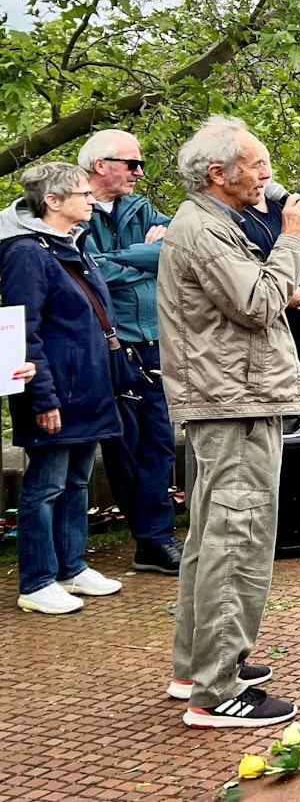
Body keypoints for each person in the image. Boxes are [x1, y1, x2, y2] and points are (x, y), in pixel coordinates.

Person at [160, 116, 300, 727]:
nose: (267, 174)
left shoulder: (208, 223)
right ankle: (217, 691)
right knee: (236, 536)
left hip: (231, 396)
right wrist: (293, 241)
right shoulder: (205, 229)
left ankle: (195, 666)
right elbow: (255, 303)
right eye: (256, 164)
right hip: (237, 400)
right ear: (217, 173)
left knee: (209, 536)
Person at [4, 163, 125, 615]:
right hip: (58, 390)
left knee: (76, 480)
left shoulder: (71, 245)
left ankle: (71, 567)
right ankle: (36, 581)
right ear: (52, 201)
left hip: (86, 388)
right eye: (81, 193)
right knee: (47, 484)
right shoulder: (25, 253)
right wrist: (43, 398)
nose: (91, 199)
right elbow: (24, 330)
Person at [75, 129, 180, 574]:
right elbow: (89, 270)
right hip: (113, 345)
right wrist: (144, 253)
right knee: (125, 445)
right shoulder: (71, 206)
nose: (140, 172)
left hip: (156, 339)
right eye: (132, 163)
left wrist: (135, 256)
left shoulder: (143, 208)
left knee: (159, 441)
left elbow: (174, 252)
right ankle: (149, 537)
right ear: (102, 166)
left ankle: (156, 538)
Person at [236, 177, 300, 378]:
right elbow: (241, 279)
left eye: (265, 164)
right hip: (264, 338)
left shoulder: (285, 206)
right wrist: (286, 298)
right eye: (255, 166)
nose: (262, 174)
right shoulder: (236, 217)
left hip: (298, 333)